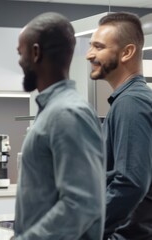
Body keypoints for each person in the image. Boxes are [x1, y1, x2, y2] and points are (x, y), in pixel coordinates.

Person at [13, 12, 105, 239]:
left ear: (36, 53)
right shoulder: (53, 112)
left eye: (20, 52)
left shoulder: (67, 114)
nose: (19, 61)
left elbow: (82, 203)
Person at [86, 12, 152, 240]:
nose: (89, 55)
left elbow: (130, 182)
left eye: (98, 47)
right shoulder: (132, 101)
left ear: (127, 52)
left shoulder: (131, 103)